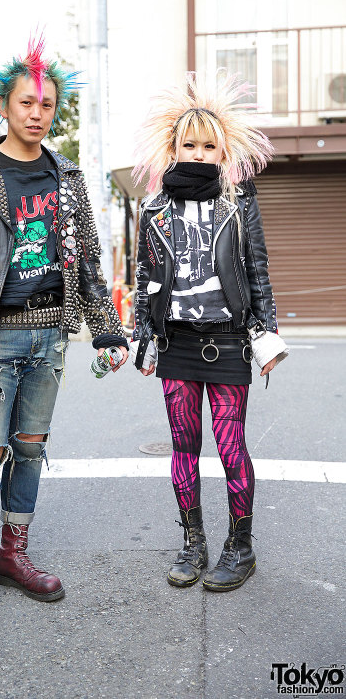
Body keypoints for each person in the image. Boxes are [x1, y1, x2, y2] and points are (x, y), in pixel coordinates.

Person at [0, 36, 128, 636]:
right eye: (26, 103)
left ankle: (13, 555)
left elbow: (87, 259)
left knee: (31, 449)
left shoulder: (67, 175)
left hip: (49, 336)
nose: (37, 113)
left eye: (47, 105)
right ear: (4, 106)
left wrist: (108, 332)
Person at [130, 71, 288, 592]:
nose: (198, 153)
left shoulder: (238, 202)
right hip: (176, 341)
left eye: (208, 146)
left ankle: (240, 547)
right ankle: (192, 542)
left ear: (224, 153)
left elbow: (257, 270)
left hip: (227, 340)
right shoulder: (152, 208)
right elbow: (144, 276)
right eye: (188, 144)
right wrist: (143, 338)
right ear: (173, 148)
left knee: (231, 445)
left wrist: (265, 334)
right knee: (182, 446)